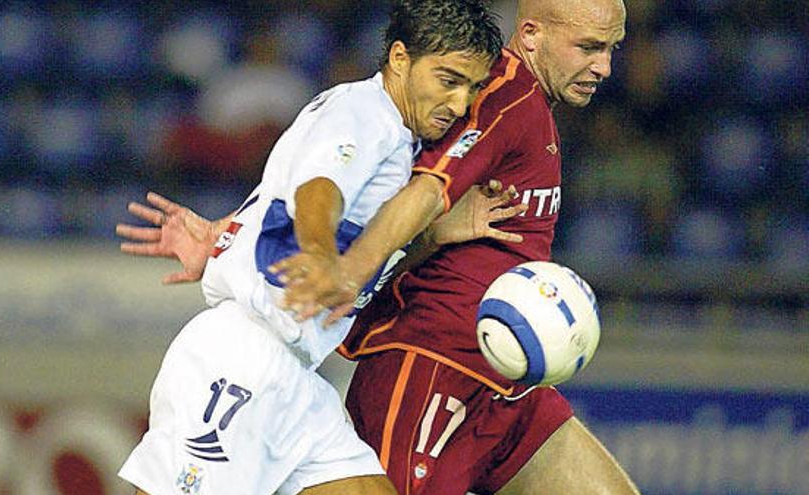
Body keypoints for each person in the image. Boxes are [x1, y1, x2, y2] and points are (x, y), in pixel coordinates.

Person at [116, 1, 503, 494]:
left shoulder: (383, 132)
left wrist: (435, 234)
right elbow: (318, 190)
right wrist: (319, 254)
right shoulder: (368, 114)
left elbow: (313, 203)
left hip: (296, 376)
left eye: (472, 87)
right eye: (448, 79)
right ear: (401, 58)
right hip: (244, 358)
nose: (459, 101)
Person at [277, 0, 641, 493]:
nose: (604, 67)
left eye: (611, 49)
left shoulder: (532, 106)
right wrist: (351, 271)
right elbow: (425, 191)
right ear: (531, 33)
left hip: (508, 382)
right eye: (589, 48)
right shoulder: (503, 96)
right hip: (432, 369)